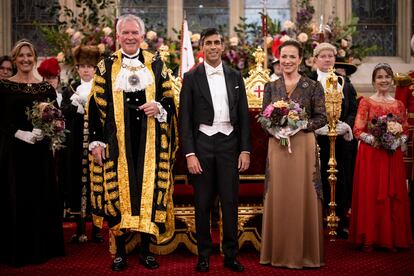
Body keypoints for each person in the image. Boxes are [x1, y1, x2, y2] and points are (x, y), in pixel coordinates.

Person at [87, 14, 177, 271]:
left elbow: (170, 101)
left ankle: (147, 251)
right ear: (117, 37)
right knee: (119, 195)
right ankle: (120, 253)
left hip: (151, 143)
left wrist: (159, 106)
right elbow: (94, 106)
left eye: (134, 33)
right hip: (116, 142)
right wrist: (96, 142)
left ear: (142, 36)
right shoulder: (106, 66)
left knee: (147, 194)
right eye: (124, 33)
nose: (129, 37)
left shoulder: (156, 64)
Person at [179, 27, 251, 273]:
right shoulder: (191, 77)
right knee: (202, 204)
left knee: (230, 203)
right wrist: (190, 154)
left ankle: (231, 255)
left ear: (223, 46)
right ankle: (204, 256)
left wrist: (245, 150)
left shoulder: (235, 76)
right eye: (208, 42)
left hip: (229, 144)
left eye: (217, 42)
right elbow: (184, 120)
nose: (213, 46)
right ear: (201, 48)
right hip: (203, 144)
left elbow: (243, 117)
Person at [260, 40, 326, 269]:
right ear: (278, 60)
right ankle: (276, 253)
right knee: (279, 195)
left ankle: (304, 254)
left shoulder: (313, 86)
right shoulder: (272, 86)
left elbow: (322, 117)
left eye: (292, 57)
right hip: (278, 146)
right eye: (283, 57)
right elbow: (262, 117)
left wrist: (300, 125)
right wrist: (275, 128)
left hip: (303, 147)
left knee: (302, 195)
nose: (287, 61)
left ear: (300, 59)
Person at [0, 40, 64, 267]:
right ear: (15, 58)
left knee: (39, 195)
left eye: (29, 55)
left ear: (34, 57)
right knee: (16, 196)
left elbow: (57, 118)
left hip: (39, 152)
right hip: (14, 153)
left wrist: (45, 130)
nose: (25, 59)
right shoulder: (4, 86)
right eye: (21, 56)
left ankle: (41, 247)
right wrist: (18, 133)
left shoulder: (45, 88)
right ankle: (16, 249)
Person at [349, 63, 412, 251]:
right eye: (379, 77)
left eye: (387, 77)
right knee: (372, 193)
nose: (383, 80)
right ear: (374, 81)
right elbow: (358, 130)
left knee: (392, 195)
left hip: (391, 155)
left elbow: (406, 128)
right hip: (372, 155)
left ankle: (391, 237)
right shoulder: (366, 102)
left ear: (392, 80)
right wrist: (375, 140)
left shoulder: (398, 105)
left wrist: (397, 141)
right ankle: (370, 237)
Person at [310, 43, 358, 239]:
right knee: (316, 177)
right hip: (315, 139)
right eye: (323, 56)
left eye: (331, 56)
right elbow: (302, 107)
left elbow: (354, 109)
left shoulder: (344, 82)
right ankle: (314, 222)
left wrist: (345, 125)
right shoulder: (308, 82)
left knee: (341, 178)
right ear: (315, 60)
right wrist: (314, 126)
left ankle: (339, 220)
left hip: (339, 139)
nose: (328, 59)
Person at [60, 45, 103, 244]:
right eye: (82, 66)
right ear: (77, 68)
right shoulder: (70, 89)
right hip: (76, 144)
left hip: (96, 144)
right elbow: (61, 112)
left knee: (97, 184)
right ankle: (79, 228)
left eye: (90, 66)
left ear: (96, 69)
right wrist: (74, 107)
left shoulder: (102, 88)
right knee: (77, 183)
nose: (86, 70)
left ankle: (97, 229)